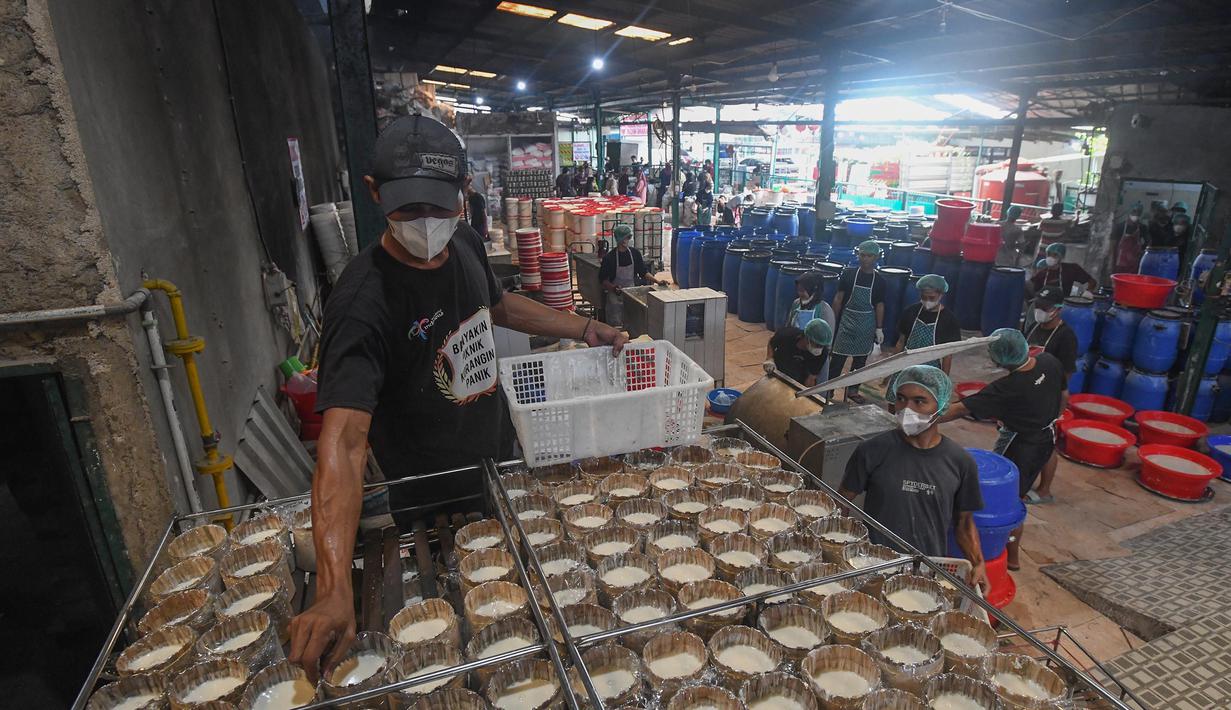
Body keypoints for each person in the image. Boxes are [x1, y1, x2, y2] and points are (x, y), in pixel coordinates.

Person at [290, 115, 627, 681]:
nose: (425, 223)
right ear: (374, 194)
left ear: (464, 193)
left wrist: (578, 328)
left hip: (498, 469)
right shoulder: (361, 305)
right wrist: (331, 588)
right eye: (407, 208)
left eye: (438, 207)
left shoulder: (465, 241)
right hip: (432, 505)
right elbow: (344, 442)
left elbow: (494, 304)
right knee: (468, 637)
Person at [840, 366, 988, 589]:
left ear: (941, 406)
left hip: (926, 568)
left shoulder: (960, 462)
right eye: (901, 399)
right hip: (873, 565)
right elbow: (840, 502)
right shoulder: (872, 451)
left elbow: (964, 522)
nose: (907, 409)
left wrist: (978, 563)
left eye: (919, 401)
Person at [940, 329, 1068, 572]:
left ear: (1000, 358)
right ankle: (1011, 551)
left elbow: (959, 409)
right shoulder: (1048, 361)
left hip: (1021, 446)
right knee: (1017, 491)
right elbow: (1064, 394)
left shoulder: (1008, 387)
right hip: (1047, 435)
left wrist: (923, 419)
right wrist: (1053, 415)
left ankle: (1010, 557)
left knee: (1008, 500)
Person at [1023, 286, 1078, 506]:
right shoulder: (1035, 327)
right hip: (1029, 391)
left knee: (1046, 444)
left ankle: (1044, 490)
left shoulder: (1066, 337)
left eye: (1045, 308)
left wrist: (1058, 407)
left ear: (1058, 310)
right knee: (1027, 442)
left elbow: (1066, 375)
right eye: (1038, 306)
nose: (1039, 311)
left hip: (1049, 395)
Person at [830, 240, 886, 403]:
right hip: (847, 321)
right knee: (837, 359)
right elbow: (838, 299)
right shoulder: (848, 274)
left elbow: (880, 305)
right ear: (858, 255)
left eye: (869, 256)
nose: (865, 259)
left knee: (860, 360)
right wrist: (833, 322)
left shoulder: (880, 281)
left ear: (876, 257)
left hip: (866, 323)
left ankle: (853, 390)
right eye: (862, 255)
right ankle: (829, 389)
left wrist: (879, 328)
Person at [891, 274, 961, 374]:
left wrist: (945, 380)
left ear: (941, 295)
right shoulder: (911, 312)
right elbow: (901, 342)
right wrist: (891, 370)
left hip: (930, 370)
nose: (927, 301)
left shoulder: (949, 320)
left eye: (932, 298)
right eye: (923, 297)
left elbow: (947, 355)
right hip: (905, 365)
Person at [599, 224, 664, 326]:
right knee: (617, 326)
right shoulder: (609, 258)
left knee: (632, 324)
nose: (629, 240)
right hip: (615, 298)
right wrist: (613, 287)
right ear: (620, 239)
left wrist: (657, 281)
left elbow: (643, 272)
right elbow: (603, 280)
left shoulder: (634, 253)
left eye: (630, 237)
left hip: (632, 294)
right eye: (627, 237)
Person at [767, 318, 832, 387]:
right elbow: (771, 342)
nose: (819, 348)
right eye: (817, 345)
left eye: (822, 346)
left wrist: (806, 393)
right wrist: (769, 358)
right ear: (807, 338)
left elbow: (811, 377)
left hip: (798, 380)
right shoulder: (787, 335)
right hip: (778, 371)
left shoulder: (822, 353)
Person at [1029, 243, 1095, 298]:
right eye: (1049, 254)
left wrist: (1088, 292)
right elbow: (1031, 288)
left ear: (1061, 257)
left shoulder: (1071, 269)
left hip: (1063, 304)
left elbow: (1092, 281)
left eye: (1055, 255)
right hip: (1044, 304)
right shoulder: (1042, 273)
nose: (1051, 257)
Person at [1112, 202, 1145, 273]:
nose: (1135, 215)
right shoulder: (1120, 226)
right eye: (1134, 212)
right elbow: (1113, 244)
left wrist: (1141, 252)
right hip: (1120, 261)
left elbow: (1147, 242)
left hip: (1134, 261)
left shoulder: (1142, 228)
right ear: (1129, 213)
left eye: (1138, 213)